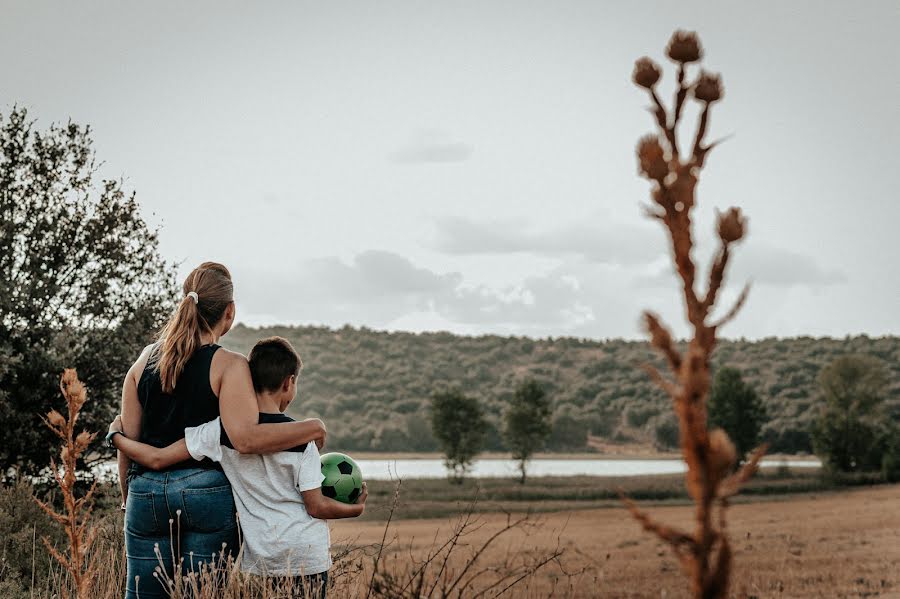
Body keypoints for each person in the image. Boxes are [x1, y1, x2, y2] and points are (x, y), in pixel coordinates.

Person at [115, 262, 327, 599]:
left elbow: (127, 440)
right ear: (229, 313)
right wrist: (312, 427)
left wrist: (130, 501)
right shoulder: (229, 365)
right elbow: (245, 438)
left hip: (145, 494)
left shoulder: (142, 362)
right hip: (205, 493)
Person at [110, 336, 365, 598]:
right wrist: (354, 509)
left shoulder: (221, 431)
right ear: (289, 383)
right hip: (306, 556)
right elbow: (316, 506)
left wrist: (117, 438)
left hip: (262, 560)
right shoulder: (303, 440)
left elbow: (158, 458)